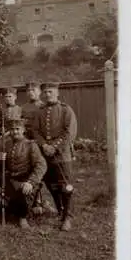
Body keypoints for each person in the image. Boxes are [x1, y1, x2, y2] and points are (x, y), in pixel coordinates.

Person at [33, 81, 78, 231]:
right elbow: (35, 131)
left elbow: (69, 132)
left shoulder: (66, 110)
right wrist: (44, 145)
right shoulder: (40, 111)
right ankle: (60, 210)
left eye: (50, 91)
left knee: (66, 186)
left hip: (62, 155)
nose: (47, 94)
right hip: (45, 154)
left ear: (57, 93)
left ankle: (68, 217)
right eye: (45, 92)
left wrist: (54, 147)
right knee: (51, 185)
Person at [0, 118, 48, 229]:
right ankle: (35, 206)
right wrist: (1, 159)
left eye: (17, 129)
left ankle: (23, 217)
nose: (15, 132)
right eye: (12, 129)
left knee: (23, 195)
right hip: (11, 180)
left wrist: (31, 182)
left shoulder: (31, 145)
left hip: (26, 179)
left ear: (23, 130)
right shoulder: (6, 144)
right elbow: (1, 167)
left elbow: (41, 165)